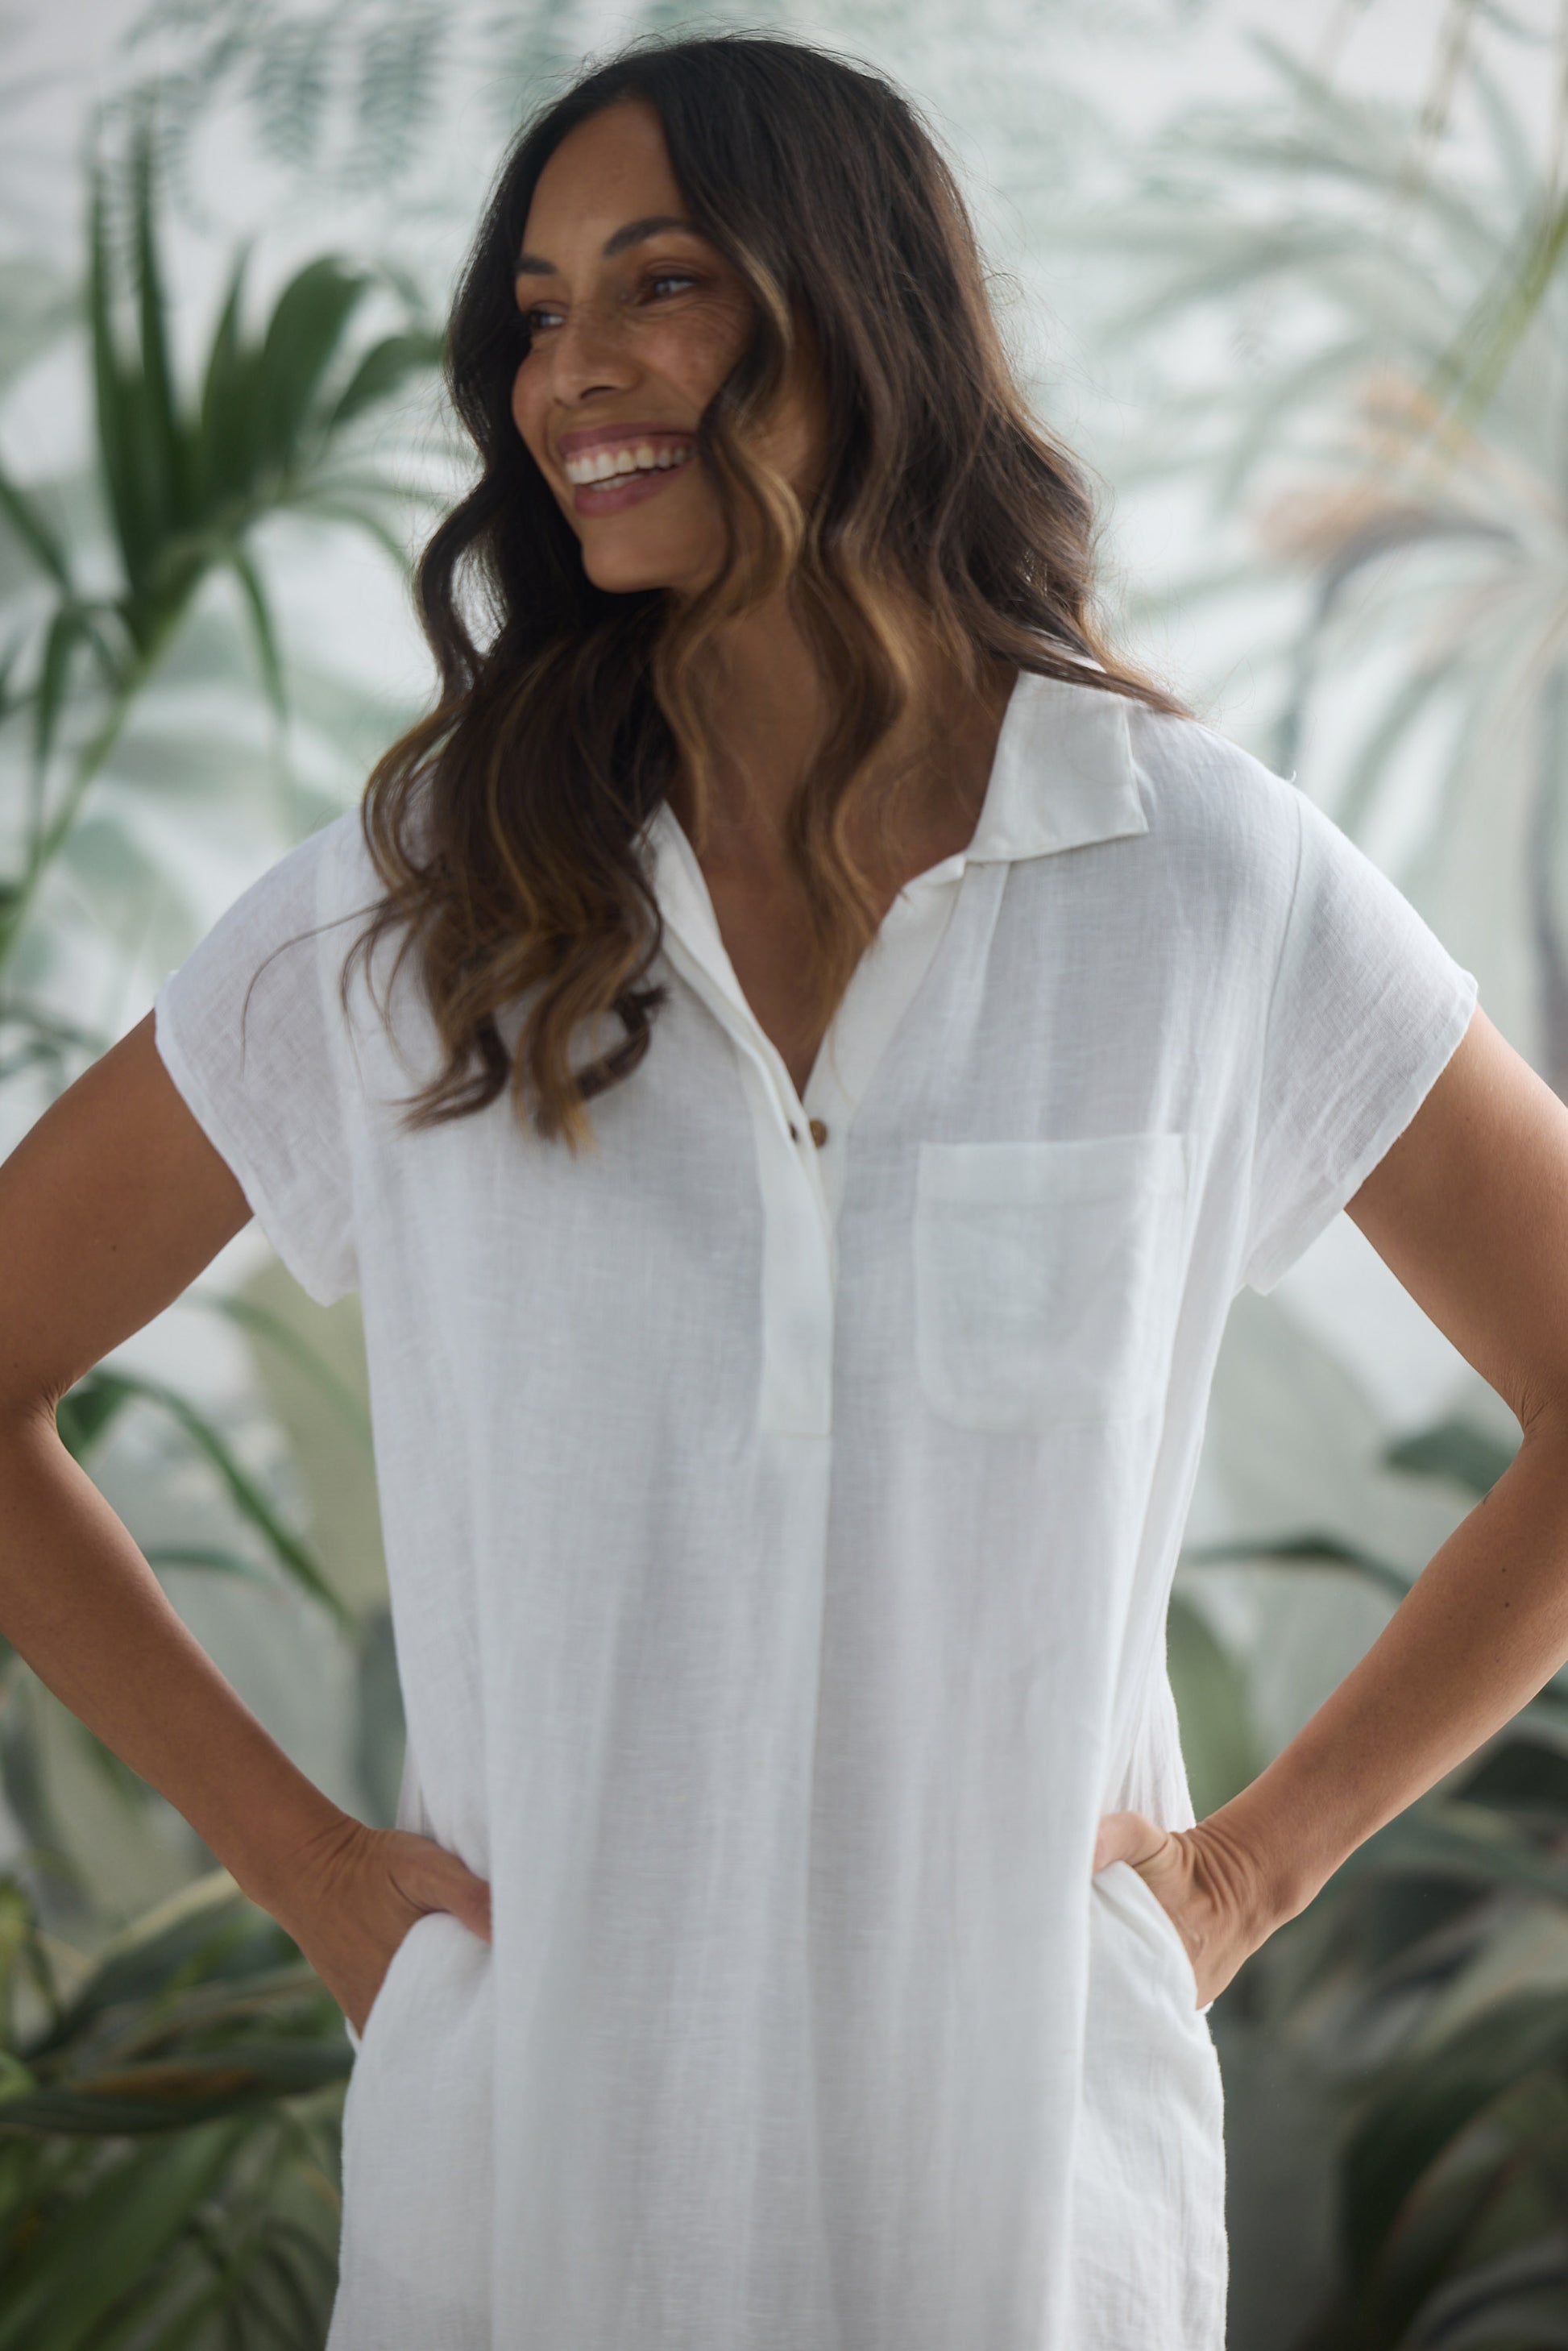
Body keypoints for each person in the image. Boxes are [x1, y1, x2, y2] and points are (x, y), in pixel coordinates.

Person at [2, 27, 1566, 2351]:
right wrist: (323, 1886)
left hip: (1029, 2212)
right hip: (542, 2194)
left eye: (661, 286)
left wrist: (1247, 1868)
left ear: (856, 314)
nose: (572, 374)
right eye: (534, 311)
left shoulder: (1191, 876)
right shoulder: (421, 904)